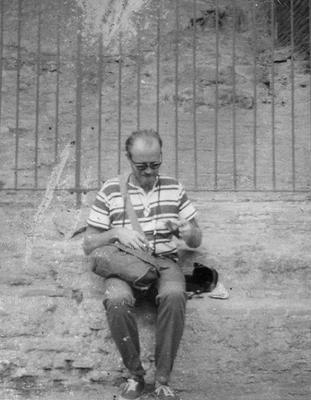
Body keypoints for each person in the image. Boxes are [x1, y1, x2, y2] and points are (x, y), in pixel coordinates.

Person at [82, 129, 202, 400]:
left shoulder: (174, 187)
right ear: (128, 159)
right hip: (126, 264)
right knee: (116, 300)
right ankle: (135, 376)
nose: (149, 172)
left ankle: (162, 381)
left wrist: (186, 231)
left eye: (155, 164)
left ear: (161, 157)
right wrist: (116, 233)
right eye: (141, 166)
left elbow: (196, 238)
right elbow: (89, 243)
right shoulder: (111, 190)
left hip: (164, 261)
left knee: (173, 294)